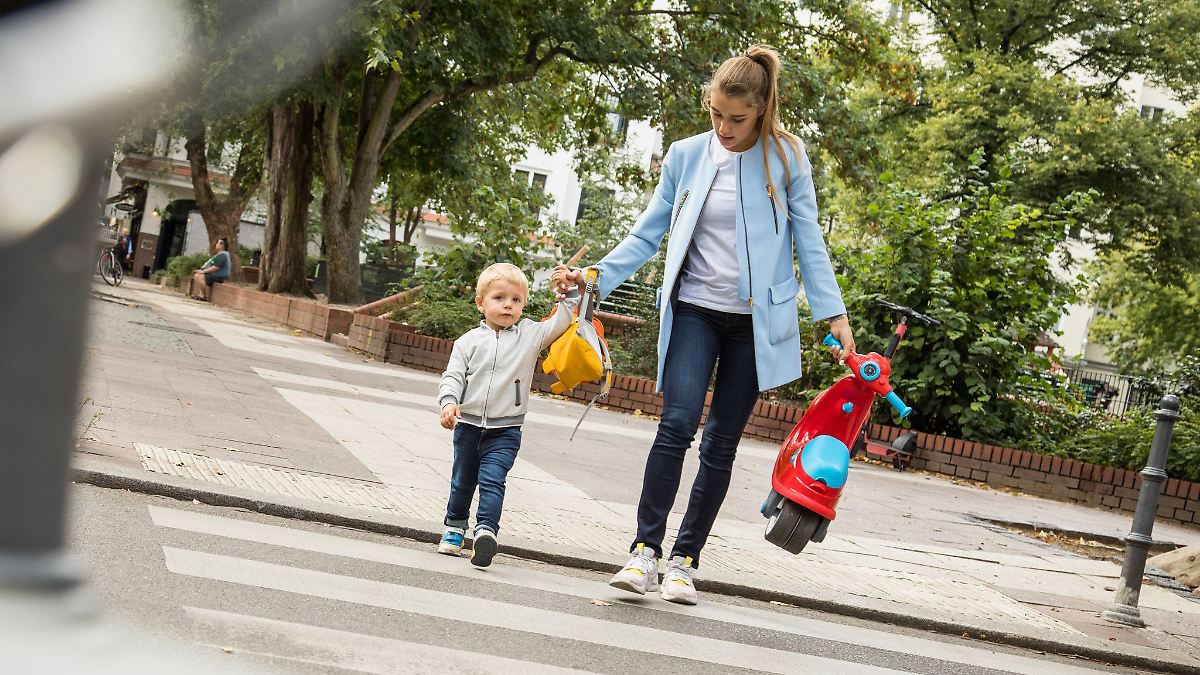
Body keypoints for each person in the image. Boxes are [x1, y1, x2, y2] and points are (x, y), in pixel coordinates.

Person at [558, 45, 856, 605]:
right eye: (715, 114)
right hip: (694, 309)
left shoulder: (788, 159)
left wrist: (833, 312)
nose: (723, 127)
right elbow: (649, 233)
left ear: (762, 109)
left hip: (754, 322)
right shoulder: (685, 155)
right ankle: (644, 552)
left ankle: (684, 562)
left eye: (736, 119)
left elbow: (808, 240)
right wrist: (595, 276)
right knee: (675, 424)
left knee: (720, 444)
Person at [436, 262, 581, 567]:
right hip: (468, 425)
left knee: (493, 479)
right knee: (462, 480)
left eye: (515, 300)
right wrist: (449, 402)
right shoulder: (468, 342)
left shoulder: (529, 335)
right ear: (481, 303)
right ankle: (454, 527)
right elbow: (453, 375)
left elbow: (561, 321)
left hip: (506, 430)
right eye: (499, 298)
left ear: (523, 304)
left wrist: (566, 293)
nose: (508, 305)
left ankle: (486, 531)